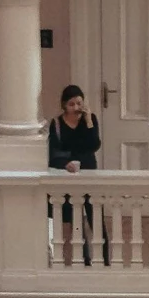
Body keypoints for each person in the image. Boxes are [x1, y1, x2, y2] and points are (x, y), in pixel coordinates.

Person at [48, 85, 103, 264]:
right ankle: (84, 259)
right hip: (67, 174)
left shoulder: (90, 119)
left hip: (88, 170)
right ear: (64, 105)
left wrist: (88, 121)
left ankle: (105, 258)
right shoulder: (56, 124)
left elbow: (94, 145)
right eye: (72, 104)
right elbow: (53, 152)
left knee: (95, 216)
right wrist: (66, 164)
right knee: (75, 218)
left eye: (79, 103)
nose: (76, 108)